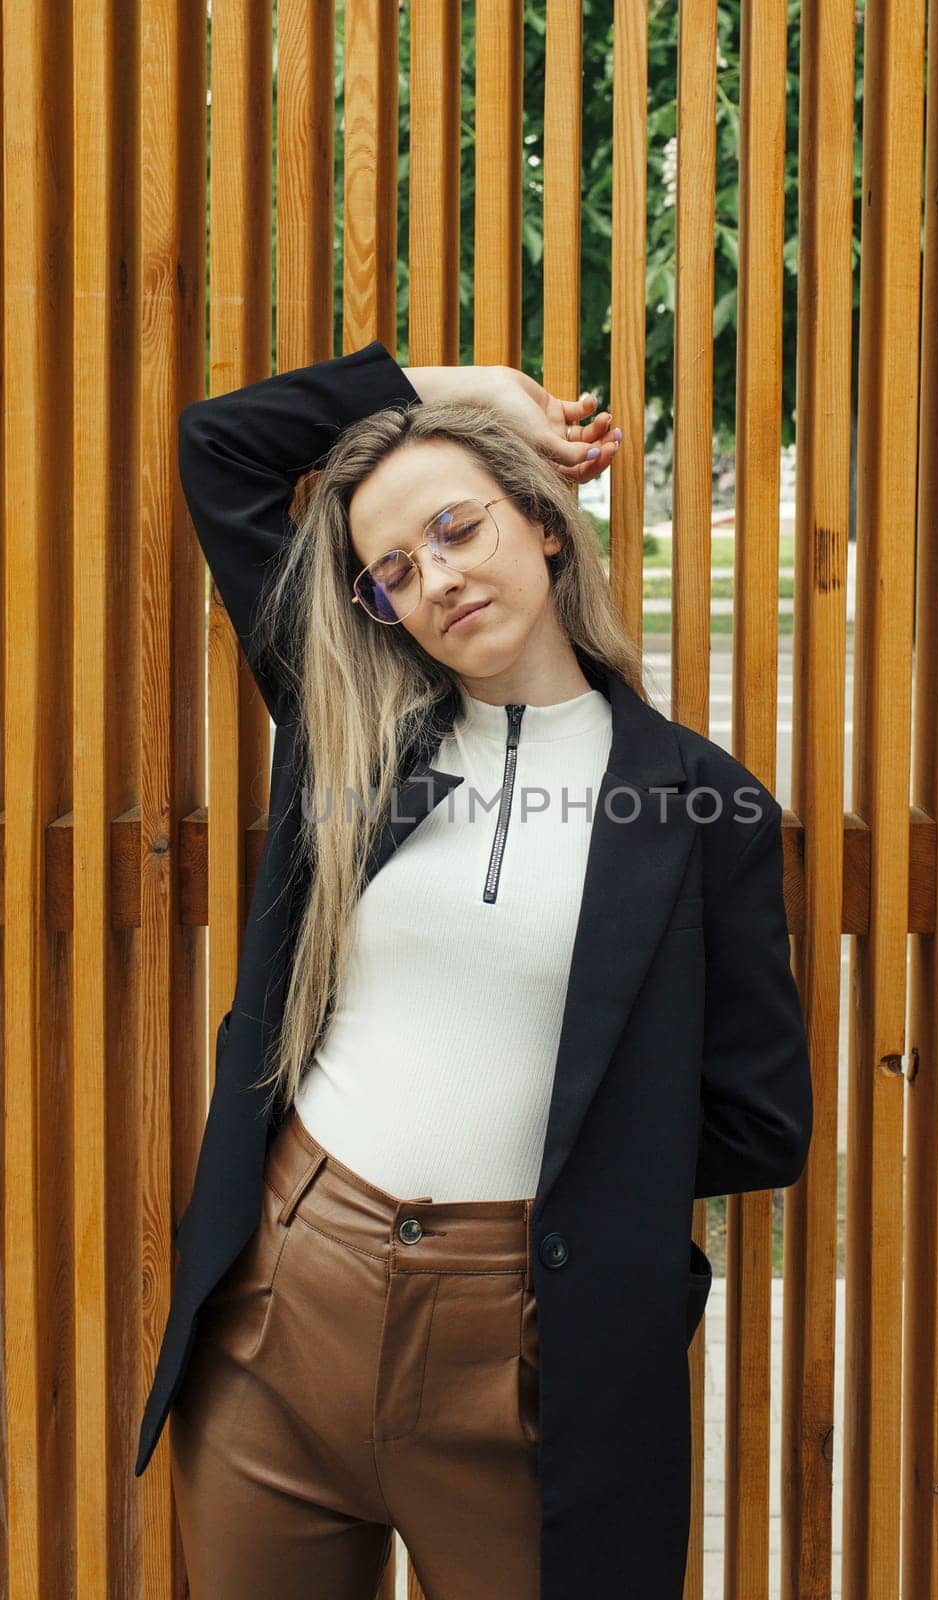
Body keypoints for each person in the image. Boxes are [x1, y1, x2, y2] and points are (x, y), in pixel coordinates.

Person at [136, 340, 813, 1600]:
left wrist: (580, 1214)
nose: (434, 579)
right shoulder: (347, 730)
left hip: (526, 1357)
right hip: (282, 1315)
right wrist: (454, 392)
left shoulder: (700, 807)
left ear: (546, 528)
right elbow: (219, 447)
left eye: (458, 528)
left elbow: (760, 1122)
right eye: (392, 571)